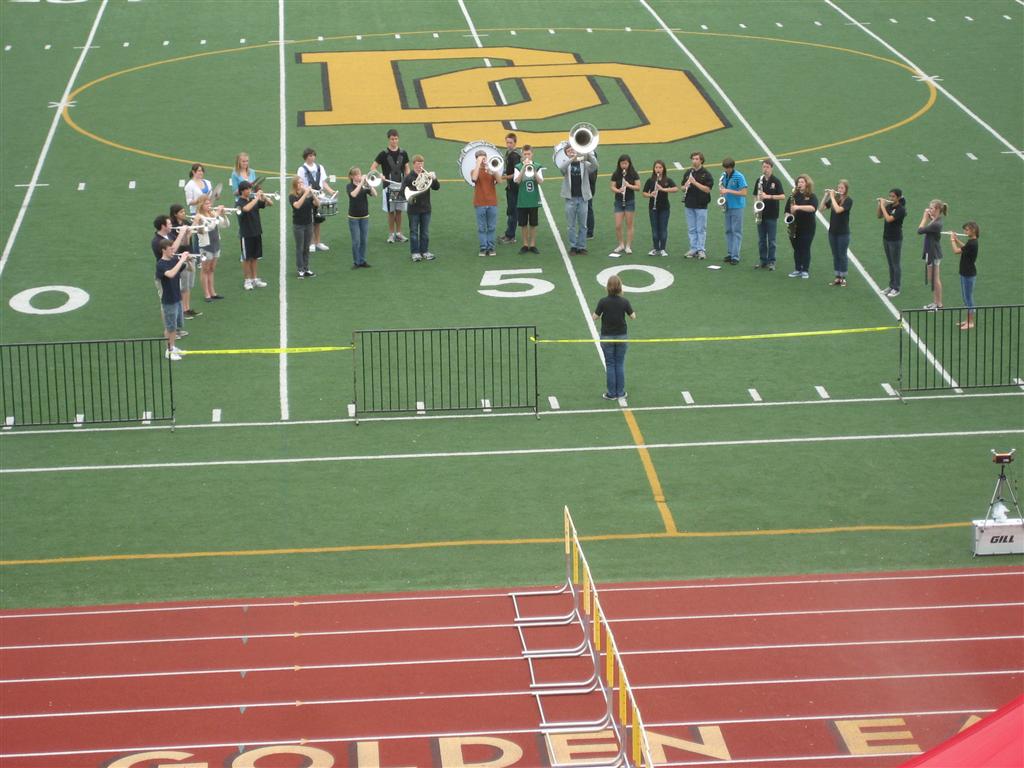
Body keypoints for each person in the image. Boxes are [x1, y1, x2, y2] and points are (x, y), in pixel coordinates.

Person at [592, 274, 636, 401]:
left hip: (607, 337)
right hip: (621, 336)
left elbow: (594, 317)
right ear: (620, 287)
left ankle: (611, 393)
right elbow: (633, 316)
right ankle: (620, 392)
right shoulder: (624, 301)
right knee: (620, 363)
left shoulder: (603, 301)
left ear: (608, 288)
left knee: (610, 364)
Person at [155, 237, 193, 361]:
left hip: (177, 297)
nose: (173, 251)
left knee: (175, 327)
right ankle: (169, 350)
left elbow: (190, 269)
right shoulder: (161, 264)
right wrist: (181, 259)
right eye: (170, 249)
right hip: (168, 300)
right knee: (170, 327)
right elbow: (171, 274)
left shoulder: (173, 260)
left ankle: (173, 347)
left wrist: (189, 261)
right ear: (163, 250)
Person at [556, 144, 598, 256]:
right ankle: (573, 246)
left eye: (572, 150)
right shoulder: (566, 164)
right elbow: (561, 169)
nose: (571, 152)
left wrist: (588, 153)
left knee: (583, 225)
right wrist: (572, 159)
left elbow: (595, 166)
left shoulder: (584, 164)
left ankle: (582, 246)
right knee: (571, 225)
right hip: (570, 198)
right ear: (566, 153)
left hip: (583, 198)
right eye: (569, 151)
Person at [370, 129, 410, 243]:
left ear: (398, 139)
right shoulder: (383, 154)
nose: (394, 141)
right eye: (392, 139)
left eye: (396, 139)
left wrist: (408, 176)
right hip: (388, 187)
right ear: (389, 139)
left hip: (401, 186)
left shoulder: (403, 153)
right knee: (391, 211)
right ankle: (391, 234)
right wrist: (380, 175)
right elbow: (372, 168)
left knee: (399, 211)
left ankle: (399, 233)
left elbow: (407, 167)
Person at [402, 155, 440, 262]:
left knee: (425, 232)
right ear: (413, 164)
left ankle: (425, 251)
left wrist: (434, 179)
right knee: (414, 232)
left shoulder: (426, 176)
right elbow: (402, 192)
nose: (420, 166)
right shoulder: (409, 177)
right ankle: (415, 253)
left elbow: (436, 187)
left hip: (426, 209)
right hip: (413, 209)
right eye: (418, 164)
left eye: (421, 164)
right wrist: (411, 197)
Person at [297, 148, 336, 253]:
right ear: (306, 157)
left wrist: (331, 191)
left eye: (313, 155)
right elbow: (300, 185)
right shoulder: (301, 169)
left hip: (319, 197)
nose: (312, 157)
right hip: (308, 197)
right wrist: (310, 191)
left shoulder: (320, 167)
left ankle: (318, 242)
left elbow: (323, 183)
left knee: (318, 220)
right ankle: (311, 243)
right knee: (310, 221)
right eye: (310, 156)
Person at [236, 180, 273, 289]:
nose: (250, 190)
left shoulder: (253, 199)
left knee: (255, 257)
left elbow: (270, 204)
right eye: (248, 189)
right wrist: (257, 198)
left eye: (250, 188)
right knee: (247, 258)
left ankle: (254, 278)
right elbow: (246, 209)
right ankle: (247, 280)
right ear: (242, 191)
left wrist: (264, 196)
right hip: (246, 234)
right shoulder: (239, 202)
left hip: (257, 232)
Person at [193, 194, 229, 300]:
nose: (209, 205)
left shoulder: (212, 213)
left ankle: (213, 292)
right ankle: (207, 294)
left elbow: (225, 225)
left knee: (212, 269)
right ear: (201, 204)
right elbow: (210, 227)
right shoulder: (199, 216)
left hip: (215, 244)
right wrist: (216, 215)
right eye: (206, 203)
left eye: (209, 203)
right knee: (205, 269)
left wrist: (223, 215)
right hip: (206, 246)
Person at [169, 204, 201, 319]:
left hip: (190, 255)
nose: (184, 213)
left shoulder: (186, 223)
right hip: (181, 257)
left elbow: (191, 238)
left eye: (183, 211)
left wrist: (194, 224)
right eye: (181, 212)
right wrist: (193, 225)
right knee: (184, 286)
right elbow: (184, 243)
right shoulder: (173, 227)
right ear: (175, 214)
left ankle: (187, 308)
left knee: (189, 284)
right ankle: (183, 310)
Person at [681, 151, 713, 259]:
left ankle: (701, 250)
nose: (694, 161)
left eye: (696, 159)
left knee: (701, 229)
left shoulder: (706, 174)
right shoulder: (688, 172)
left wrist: (694, 183)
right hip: (689, 204)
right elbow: (682, 187)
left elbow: (707, 189)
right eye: (693, 159)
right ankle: (693, 248)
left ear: (701, 160)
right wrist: (685, 186)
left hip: (701, 205)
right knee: (691, 228)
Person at [785, 174, 818, 279]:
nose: (800, 184)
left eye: (802, 182)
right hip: (795, 226)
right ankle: (797, 268)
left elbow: (813, 208)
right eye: (798, 182)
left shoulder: (812, 196)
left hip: (808, 227)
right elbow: (786, 210)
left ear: (807, 184)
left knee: (805, 247)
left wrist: (798, 207)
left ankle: (805, 270)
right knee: (797, 248)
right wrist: (789, 216)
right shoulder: (793, 196)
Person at [753, 159, 784, 270]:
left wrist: (768, 196)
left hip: (772, 214)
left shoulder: (776, 181)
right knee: (761, 240)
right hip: (761, 213)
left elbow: (782, 196)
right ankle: (763, 261)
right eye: (763, 167)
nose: (765, 169)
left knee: (771, 240)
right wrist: (755, 207)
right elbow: (755, 195)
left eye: (767, 167)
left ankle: (771, 261)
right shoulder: (759, 180)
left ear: (771, 168)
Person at [822, 180, 854, 286]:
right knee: (835, 254)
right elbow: (821, 208)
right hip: (833, 232)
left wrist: (831, 197)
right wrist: (826, 196)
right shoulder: (835, 198)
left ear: (846, 190)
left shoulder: (848, 200)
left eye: (842, 188)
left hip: (843, 233)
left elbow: (838, 210)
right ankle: (837, 276)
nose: (839, 190)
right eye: (839, 188)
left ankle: (843, 277)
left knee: (842, 254)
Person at [513, 145, 544, 255]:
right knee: (523, 224)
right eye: (525, 154)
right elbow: (516, 180)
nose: (527, 156)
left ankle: (532, 244)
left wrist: (533, 170)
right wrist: (523, 168)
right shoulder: (517, 166)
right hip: (522, 200)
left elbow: (540, 181)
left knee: (533, 223)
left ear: (532, 154)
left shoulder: (537, 166)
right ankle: (525, 244)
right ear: (522, 155)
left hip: (533, 199)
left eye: (528, 154)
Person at [642, 161, 677, 257]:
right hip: (653, 208)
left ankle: (662, 249)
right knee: (654, 229)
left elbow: (675, 189)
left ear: (663, 169)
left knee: (663, 228)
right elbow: (644, 193)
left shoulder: (667, 180)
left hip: (664, 208)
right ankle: (655, 248)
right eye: (656, 167)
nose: (658, 169)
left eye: (660, 167)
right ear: (654, 169)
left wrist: (663, 189)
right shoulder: (650, 180)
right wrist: (650, 194)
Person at [917, 199, 947, 310]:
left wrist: (924, 218)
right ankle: (935, 302)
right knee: (932, 278)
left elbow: (920, 230)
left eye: (932, 208)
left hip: (934, 253)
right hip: (930, 252)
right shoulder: (935, 220)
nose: (929, 209)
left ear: (938, 209)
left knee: (935, 279)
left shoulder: (937, 224)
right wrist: (930, 217)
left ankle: (939, 304)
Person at [471, 149, 501, 257]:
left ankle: (491, 248)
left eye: (484, 157)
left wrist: (493, 169)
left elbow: (500, 181)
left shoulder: (491, 169)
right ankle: (483, 248)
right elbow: (474, 178)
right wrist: (478, 164)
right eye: (481, 157)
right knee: (482, 227)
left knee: (492, 227)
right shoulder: (474, 171)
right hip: (480, 203)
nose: (484, 159)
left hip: (492, 202)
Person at [950, 222, 980, 330]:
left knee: (968, 298)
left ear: (973, 230)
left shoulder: (972, 243)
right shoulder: (971, 242)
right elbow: (965, 247)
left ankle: (970, 322)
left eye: (967, 230)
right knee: (965, 297)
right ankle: (968, 320)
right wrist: (957, 240)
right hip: (965, 273)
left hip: (968, 274)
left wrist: (952, 241)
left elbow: (956, 251)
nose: (965, 231)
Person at [877, 188, 907, 297]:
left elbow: (889, 219)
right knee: (890, 263)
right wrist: (880, 205)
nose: (890, 198)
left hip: (895, 239)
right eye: (890, 196)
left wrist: (882, 206)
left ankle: (896, 287)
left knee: (895, 264)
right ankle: (891, 285)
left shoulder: (901, 209)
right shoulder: (889, 206)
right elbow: (879, 216)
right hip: (886, 238)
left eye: (893, 196)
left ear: (898, 197)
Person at [288, 174, 319, 278]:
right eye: (299, 183)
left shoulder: (308, 195)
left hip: (308, 224)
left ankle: (306, 268)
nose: (301, 184)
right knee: (300, 247)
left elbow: (317, 203)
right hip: (298, 225)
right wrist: (306, 193)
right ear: (295, 185)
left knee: (306, 247)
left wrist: (313, 194)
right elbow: (297, 205)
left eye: (302, 182)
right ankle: (300, 269)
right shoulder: (292, 196)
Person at [346, 166, 377, 268]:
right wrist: (361, 184)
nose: (358, 176)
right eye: (356, 175)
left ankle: (362, 260)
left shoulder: (365, 185)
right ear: (351, 176)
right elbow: (353, 195)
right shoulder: (349, 186)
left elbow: (375, 194)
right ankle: (356, 261)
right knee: (356, 241)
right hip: (353, 218)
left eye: (359, 174)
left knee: (363, 240)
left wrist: (369, 184)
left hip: (364, 217)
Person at [609, 154, 640, 256]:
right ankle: (621, 244)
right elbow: (612, 187)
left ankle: (628, 246)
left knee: (629, 224)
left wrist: (628, 185)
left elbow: (638, 187)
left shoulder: (633, 174)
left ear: (629, 164)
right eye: (622, 163)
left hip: (629, 201)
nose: (624, 165)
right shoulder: (616, 174)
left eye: (626, 163)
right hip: (618, 201)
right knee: (618, 225)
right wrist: (618, 190)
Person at [719, 157, 747, 264]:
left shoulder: (739, 176)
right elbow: (723, 188)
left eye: (728, 168)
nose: (726, 170)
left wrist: (728, 190)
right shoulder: (724, 176)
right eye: (725, 168)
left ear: (732, 167)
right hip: (727, 205)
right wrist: (722, 192)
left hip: (737, 207)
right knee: (728, 230)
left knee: (736, 231)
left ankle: (735, 256)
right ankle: (730, 253)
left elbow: (744, 193)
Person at [498, 132, 521, 244]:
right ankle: (508, 233)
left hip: (515, 188)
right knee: (510, 211)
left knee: (513, 212)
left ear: (515, 143)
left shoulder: (515, 156)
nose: (508, 144)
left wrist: (504, 177)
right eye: (507, 142)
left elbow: (517, 173)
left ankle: (511, 236)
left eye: (511, 143)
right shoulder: (508, 153)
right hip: (510, 187)